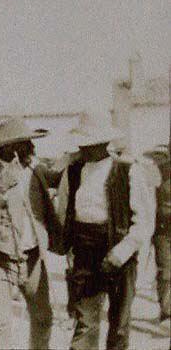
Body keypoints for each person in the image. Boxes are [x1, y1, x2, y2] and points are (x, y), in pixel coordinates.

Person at [55, 119, 155, 350]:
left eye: (87, 145)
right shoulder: (73, 172)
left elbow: (144, 221)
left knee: (119, 324)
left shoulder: (128, 171)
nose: (82, 149)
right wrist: (70, 247)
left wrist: (121, 253)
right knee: (85, 321)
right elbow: (65, 213)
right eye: (81, 145)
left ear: (102, 144)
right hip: (84, 251)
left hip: (120, 251)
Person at [0, 118, 61, 350]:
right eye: (26, 143)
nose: (32, 148)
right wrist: (1, 189)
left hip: (32, 260)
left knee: (43, 319)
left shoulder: (35, 171)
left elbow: (60, 177)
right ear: (10, 148)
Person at [143, 144, 170, 322]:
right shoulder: (159, 171)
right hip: (163, 229)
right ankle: (167, 310)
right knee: (165, 271)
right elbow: (148, 200)